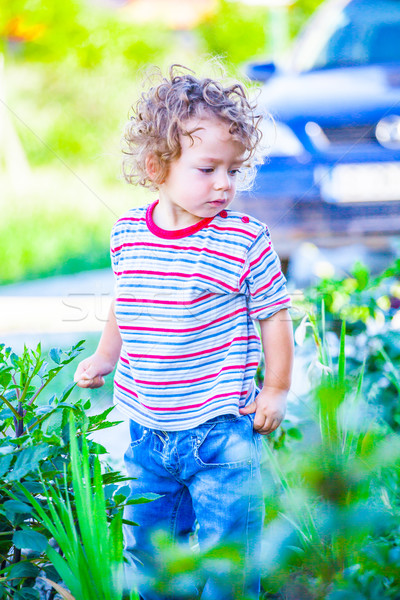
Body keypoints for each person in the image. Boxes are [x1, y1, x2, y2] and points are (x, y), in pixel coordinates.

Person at [74, 64, 294, 600]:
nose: (224, 184)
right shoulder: (128, 231)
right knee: (149, 558)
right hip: (146, 435)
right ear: (157, 167)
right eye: (207, 168)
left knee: (230, 562)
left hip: (221, 434)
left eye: (233, 170)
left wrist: (276, 389)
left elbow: (275, 315)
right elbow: (127, 302)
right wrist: (106, 356)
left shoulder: (244, 239)